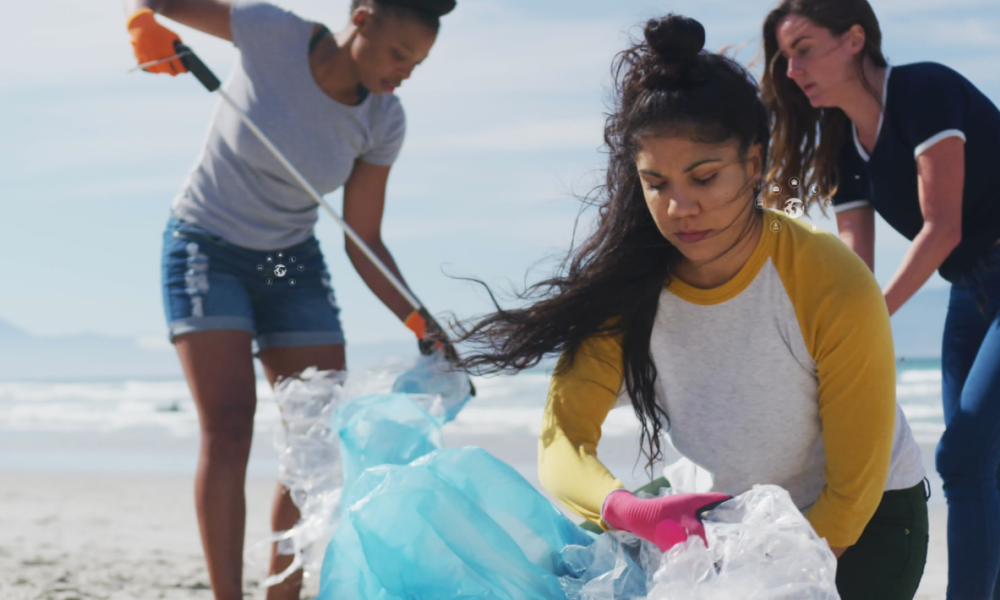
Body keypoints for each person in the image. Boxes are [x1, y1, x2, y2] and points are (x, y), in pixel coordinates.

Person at [455, 14, 928, 600]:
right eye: (657, 183)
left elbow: (852, 492)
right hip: (727, 515)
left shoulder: (829, 281)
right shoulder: (629, 291)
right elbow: (562, 441)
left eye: (704, 177)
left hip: (866, 522)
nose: (681, 207)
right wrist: (628, 510)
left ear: (754, 164)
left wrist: (778, 578)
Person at [123, 0, 454, 598]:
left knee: (314, 439)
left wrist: (419, 319)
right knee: (228, 428)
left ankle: (283, 595)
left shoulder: (384, 119)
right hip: (206, 245)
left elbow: (364, 239)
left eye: (418, 63)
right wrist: (139, 24)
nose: (404, 72)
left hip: (284, 261)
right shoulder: (272, 32)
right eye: (400, 54)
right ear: (363, 16)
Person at [761, 1, 1000, 597]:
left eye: (804, 48)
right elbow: (853, 269)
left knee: (963, 458)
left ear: (855, 39)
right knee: (978, 467)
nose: (793, 71)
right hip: (970, 290)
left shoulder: (924, 89)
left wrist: (864, 323)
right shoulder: (843, 144)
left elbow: (940, 226)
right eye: (785, 58)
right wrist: (814, 336)